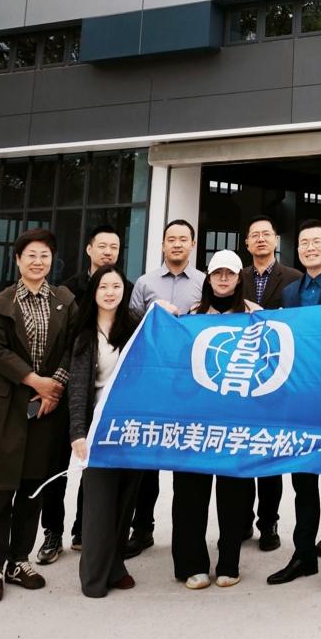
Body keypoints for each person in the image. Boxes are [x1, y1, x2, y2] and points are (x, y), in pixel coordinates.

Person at [0, 228, 77, 603]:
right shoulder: (0, 304)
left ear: (53, 261)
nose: (38, 261)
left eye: (44, 255)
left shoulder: (64, 301)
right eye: (31, 255)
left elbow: (73, 347)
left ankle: (18, 560)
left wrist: (55, 388)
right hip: (7, 404)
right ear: (18, 260)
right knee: (0, 487)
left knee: (33, 486)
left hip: (46, 408)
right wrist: (36, 381)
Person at [267, 220, 321, 598]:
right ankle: (303, 555)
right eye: (304, 242)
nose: (310, 248)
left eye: (317, 242)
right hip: (299, 402)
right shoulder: (290, 292)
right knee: (302, 483)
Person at [37, 224, 132, 567]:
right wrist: (51, 386)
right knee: (58, 466)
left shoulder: (124, 291)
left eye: (114, 247)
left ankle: (82, 530)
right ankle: (52, 532)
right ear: (89, 248)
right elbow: (64, 348)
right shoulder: (67, 291)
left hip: (105, 406)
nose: (108, 252)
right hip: (68, 390)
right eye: (102, 245)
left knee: (94, 472)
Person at [172, 250, 260, 590]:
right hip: (195, 420)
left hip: (238, 421)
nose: (224, 279)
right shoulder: (190, 316)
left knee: (234, 494)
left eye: (230, 274)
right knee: (190, 493)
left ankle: (229, 563)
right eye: (217, 273)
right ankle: (191, 564)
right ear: (208, 278)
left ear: (239, 278)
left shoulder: (256, 316)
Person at [123, 219, 205, 559]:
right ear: (162, 244)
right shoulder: (145, 283)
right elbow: (129, 325)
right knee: (148, 459)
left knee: (188, 459)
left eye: (183, 239)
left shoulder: (204, 282)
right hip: (153, 380)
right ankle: (142, 528)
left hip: (190, 382)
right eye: (171, 239)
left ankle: (188, 537)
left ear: (192, 244)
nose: (177, 244)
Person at [67, 263, 141, 598]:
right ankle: (94, 576)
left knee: (124, 503)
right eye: (103, 287)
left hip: (132, 429)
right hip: (98, 430)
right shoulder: (84, 334)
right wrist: (78, 433)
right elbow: (77, 389)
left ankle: (115, 567)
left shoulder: (135, 327)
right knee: (99, 505)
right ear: (94, 292)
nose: (110, 293)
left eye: (116, 287)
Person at [240, 214, 303, 553]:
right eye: (255, 235)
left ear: (276, 240)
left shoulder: (294, 278)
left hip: (275, 378)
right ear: (247, 243)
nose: (261, 239)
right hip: (240, 379)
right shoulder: (235, 278)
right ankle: (241, 520)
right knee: (241, 451)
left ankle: (269, 523)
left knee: (269, 456)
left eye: (267, 234)